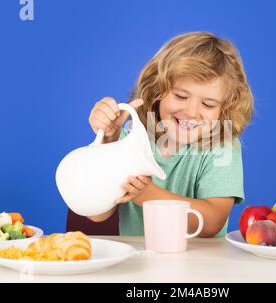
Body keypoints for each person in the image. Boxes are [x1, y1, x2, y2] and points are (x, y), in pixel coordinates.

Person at [85, 32, 253, 237]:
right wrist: (109, 141)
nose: (191, 112)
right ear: (158, 90)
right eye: (181, 96)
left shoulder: (221, 146)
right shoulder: (130, 141)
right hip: (140, 264)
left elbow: (212, 222)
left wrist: (147, 195)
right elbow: (97, 214)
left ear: (225, 109)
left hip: (204, 267)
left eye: (208, 104)